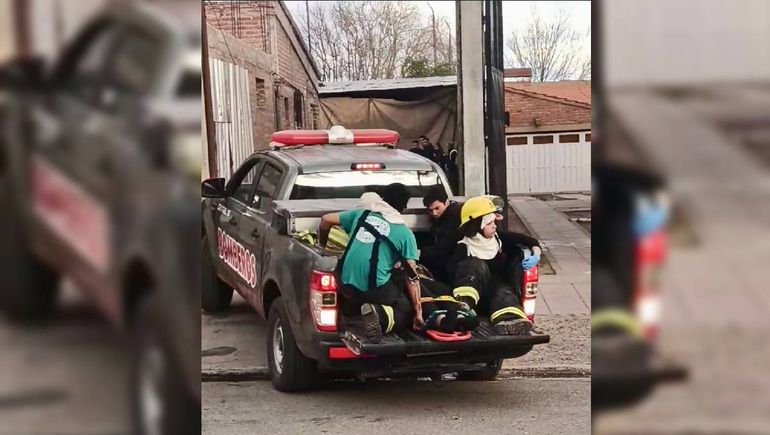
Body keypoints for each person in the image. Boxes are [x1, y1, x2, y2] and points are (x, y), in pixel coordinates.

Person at [318, 183, 423, 343]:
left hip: (344, 284)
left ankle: (350, 310)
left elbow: (325, 219)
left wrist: (323, 246)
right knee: (406, 308)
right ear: (404, 208)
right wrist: (419, 313)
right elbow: (412, 277)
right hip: (372, 291)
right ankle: (379, 316)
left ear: (382, 199)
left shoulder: (361, 214)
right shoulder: (405, 233)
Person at [449, 196, 542, 335]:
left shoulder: (497, 239)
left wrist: (536, 252)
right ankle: (464, 306)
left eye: (494, 221)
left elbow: (527, 239)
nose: (494, 226)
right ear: (477, 226)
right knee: (474, 265)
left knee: (504, 293)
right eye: (489, 223)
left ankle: (510, 321)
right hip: (474, 296)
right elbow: (451, 272)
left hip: (494, 293)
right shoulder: (464, 247)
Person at [419, 185, 462, 283]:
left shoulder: (454, 217)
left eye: (437, 208)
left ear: (446, 202)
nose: (434, 213)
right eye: (430, 210)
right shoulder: (442, 218)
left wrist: (421, 253)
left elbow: (445, 246)